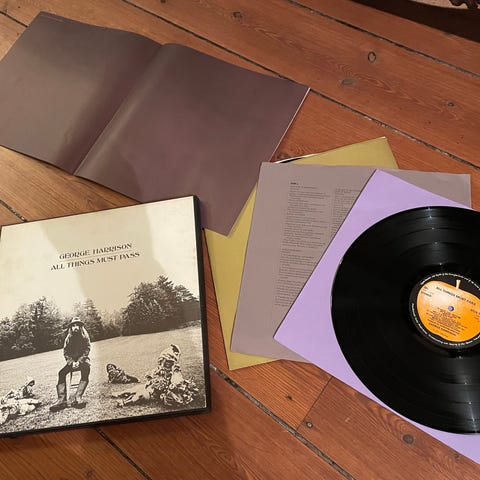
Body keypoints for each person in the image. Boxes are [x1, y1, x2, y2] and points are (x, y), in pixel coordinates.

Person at [50, 317, 91, 411]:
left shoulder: (85, 337)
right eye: (73, 325)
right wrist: (71, 362)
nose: (75, 327)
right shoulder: (68, 338)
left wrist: (79, 361)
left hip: (82, 360)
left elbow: (87, 349)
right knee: (61, 373)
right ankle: (61, 400)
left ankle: (78, 398)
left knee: (86, 369)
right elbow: (66, 352)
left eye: (77, 325)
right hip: (72, 361)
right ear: (71, 327)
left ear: (80, 327)